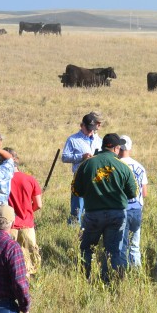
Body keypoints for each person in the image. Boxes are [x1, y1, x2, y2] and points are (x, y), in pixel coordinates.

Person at [73, 133, 138, 283]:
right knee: (113, 251)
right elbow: (133, 192)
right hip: (117, 214)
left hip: (93, 214)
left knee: (87, 249)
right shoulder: (123, 166)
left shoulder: (87, 164)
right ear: (115, 148)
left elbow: (76, 190)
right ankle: (109, 283)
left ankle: (86, 279)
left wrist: (92, 194)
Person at [5, 148, 43, 276]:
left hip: (9, 226)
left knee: (10, 261)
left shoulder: (3, 180)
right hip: (27, 224)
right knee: (30, 262)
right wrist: (27, 212)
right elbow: (38, 204)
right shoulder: (29, 179)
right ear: (17, 160)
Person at [62, 112, 103, 224]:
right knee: (77, 208)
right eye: (88, 128)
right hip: (80, 178)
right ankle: (74, 230)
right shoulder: (73, 140)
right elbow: (65, 157)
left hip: (96, 178)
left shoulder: (99, 140)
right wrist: (81, 157)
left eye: (92, 129)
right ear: (82, 125)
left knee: (94, 208)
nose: (90, 131)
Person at [117, 137, 148, 268]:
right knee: (135, 245)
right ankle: (137, 272)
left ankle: (122, 273)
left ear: (118, 147)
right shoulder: (140, 166)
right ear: (130, 148)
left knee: (121, 246)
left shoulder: (116, 166)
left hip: (122, 209)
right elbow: (144, 193)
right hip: (136, 209)